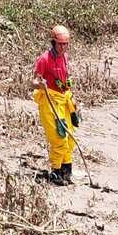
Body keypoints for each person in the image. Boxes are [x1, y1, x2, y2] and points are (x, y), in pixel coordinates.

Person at [32, 24, 80, 186]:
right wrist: (41, 84)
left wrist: (72, 101)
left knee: (70, 137)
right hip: (50, 101)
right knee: (59, 137)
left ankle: (67, 171)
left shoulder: (65, 57)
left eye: (66, 44)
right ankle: (56, 171)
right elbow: (34, 81)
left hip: (64, 99)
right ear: (53, 42)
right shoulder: (44, 59)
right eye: (60, 44)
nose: (63, 47)